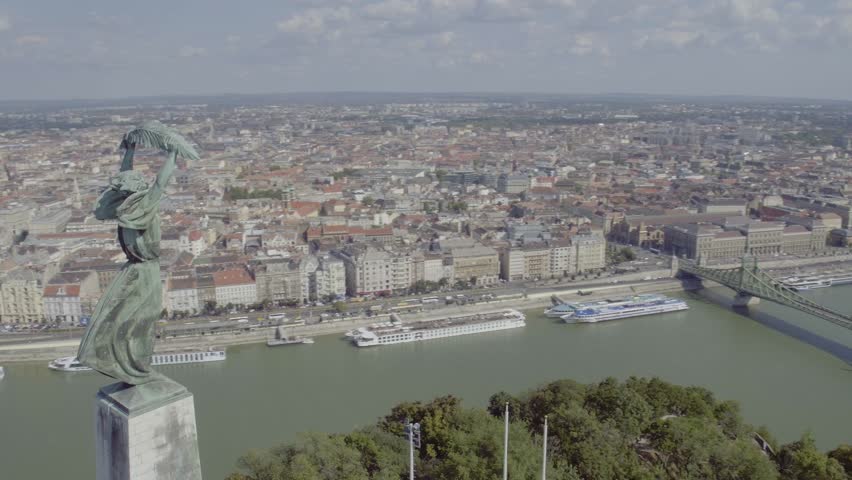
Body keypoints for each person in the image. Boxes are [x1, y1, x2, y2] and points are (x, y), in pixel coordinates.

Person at [77, 140, 177, 385]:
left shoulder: (143, 206)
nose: (120, 188)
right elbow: (127, 177)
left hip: (143, 271)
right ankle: (131, 367)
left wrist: (173, 155)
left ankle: (136, 367)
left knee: (138, 320)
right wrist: (129, 152)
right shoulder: (128, 206)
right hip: (137, 270)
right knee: (129, 319)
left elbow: (160, 182)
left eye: (125, 186)